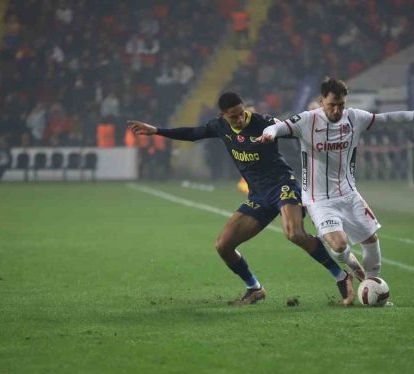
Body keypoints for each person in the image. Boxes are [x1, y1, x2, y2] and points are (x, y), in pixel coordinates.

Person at [128, 92, 358, 306]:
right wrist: (156, 130)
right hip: (258, 195)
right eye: (233, 116)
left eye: (241, 113)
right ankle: (254, 288)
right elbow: (192, 134)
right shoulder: (219, 127)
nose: (239, 119)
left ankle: (341, 276)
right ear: (223, 116)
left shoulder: (264, 122)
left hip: (283, 185)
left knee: (294, 233)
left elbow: (294, 129)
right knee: (223, 245)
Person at [260, 77, 414, 288]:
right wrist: (268, 134)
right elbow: (280, 127)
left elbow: (388, 118)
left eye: (340, 105)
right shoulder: (307, 120)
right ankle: (353, 266)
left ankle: (371, 286)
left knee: (371, 240)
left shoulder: (355, 117)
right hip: (319, 199)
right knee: (340, 244)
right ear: (321, 101)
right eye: (331, 105)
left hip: (349, 193)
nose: (336, 110)